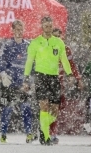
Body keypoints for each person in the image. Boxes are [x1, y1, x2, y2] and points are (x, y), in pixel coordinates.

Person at [23, 16, 74, 146]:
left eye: (50, 26)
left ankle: (42, 128)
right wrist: (26, 77)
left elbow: (64, 60)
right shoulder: (35, 42)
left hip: (54, 77)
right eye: (46, 26)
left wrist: (70, 74)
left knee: (55, 111)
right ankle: (45, 137)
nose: (48, 28)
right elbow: (29, 61)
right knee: (44, 105)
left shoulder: (59, 42)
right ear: (42, 27)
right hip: (41, 77)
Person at [0, 20, 34, 143]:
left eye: (21, 29)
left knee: (26, 107)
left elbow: (33, 63)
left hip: (23, 82)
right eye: (16, 29)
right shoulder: (7, 45)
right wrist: (3, 75)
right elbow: (0, 60)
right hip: (10, 81)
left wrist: (29, 80)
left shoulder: (28, 45)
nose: (19, 32)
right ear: (12, 30)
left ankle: (29, 133)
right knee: (7, 109)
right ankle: (3, 134)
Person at [48, 27, 83, 144]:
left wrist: (77, 78)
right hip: (46, 80)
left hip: (59, 83)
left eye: (59, 36)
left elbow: (71, 65)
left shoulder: (66, 49)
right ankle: (46, 131)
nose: (57, 38)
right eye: (55, 36)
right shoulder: (46, 47)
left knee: (56, 109)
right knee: (46, 107)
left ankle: (51, 133)